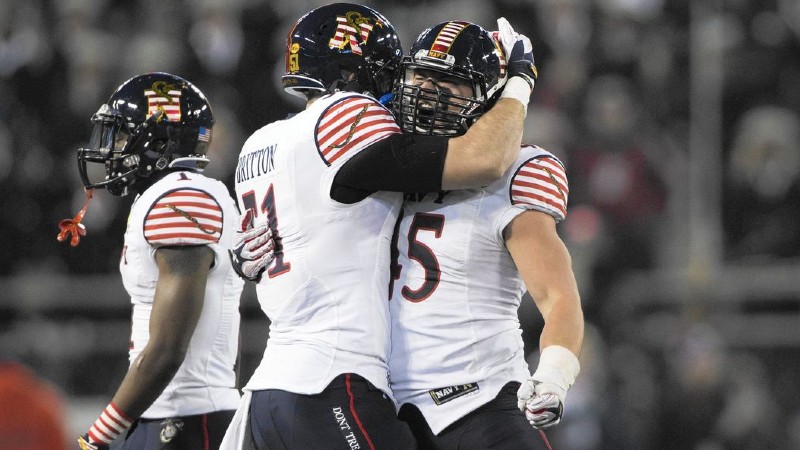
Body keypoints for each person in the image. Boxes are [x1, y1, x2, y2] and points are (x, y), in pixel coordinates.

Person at [220, 3, 538, 449]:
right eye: (389, 73)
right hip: (332, 379)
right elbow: (484, 160)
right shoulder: (345, 114)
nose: (398, 88)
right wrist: (518, 84)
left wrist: (242, 260)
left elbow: (270, 241)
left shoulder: (260, 141)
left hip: (266, 393)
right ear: (352, 74)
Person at [387, 21, 585, 450]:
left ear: (489, 95)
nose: (428, 90)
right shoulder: (386, 162)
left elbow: (557, 296)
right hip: (389, 413)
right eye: (421, 75)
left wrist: (552, 375)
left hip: (478, 406)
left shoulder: (517, 171)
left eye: (449, 81)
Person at [58, 72, 245, 449]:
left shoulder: (182, 199)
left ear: (157, 141)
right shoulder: (175, 194)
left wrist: (99, 436)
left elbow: (167, 348)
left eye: (122, 136)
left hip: (186, 420)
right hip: (173, 414)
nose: (112, 149)